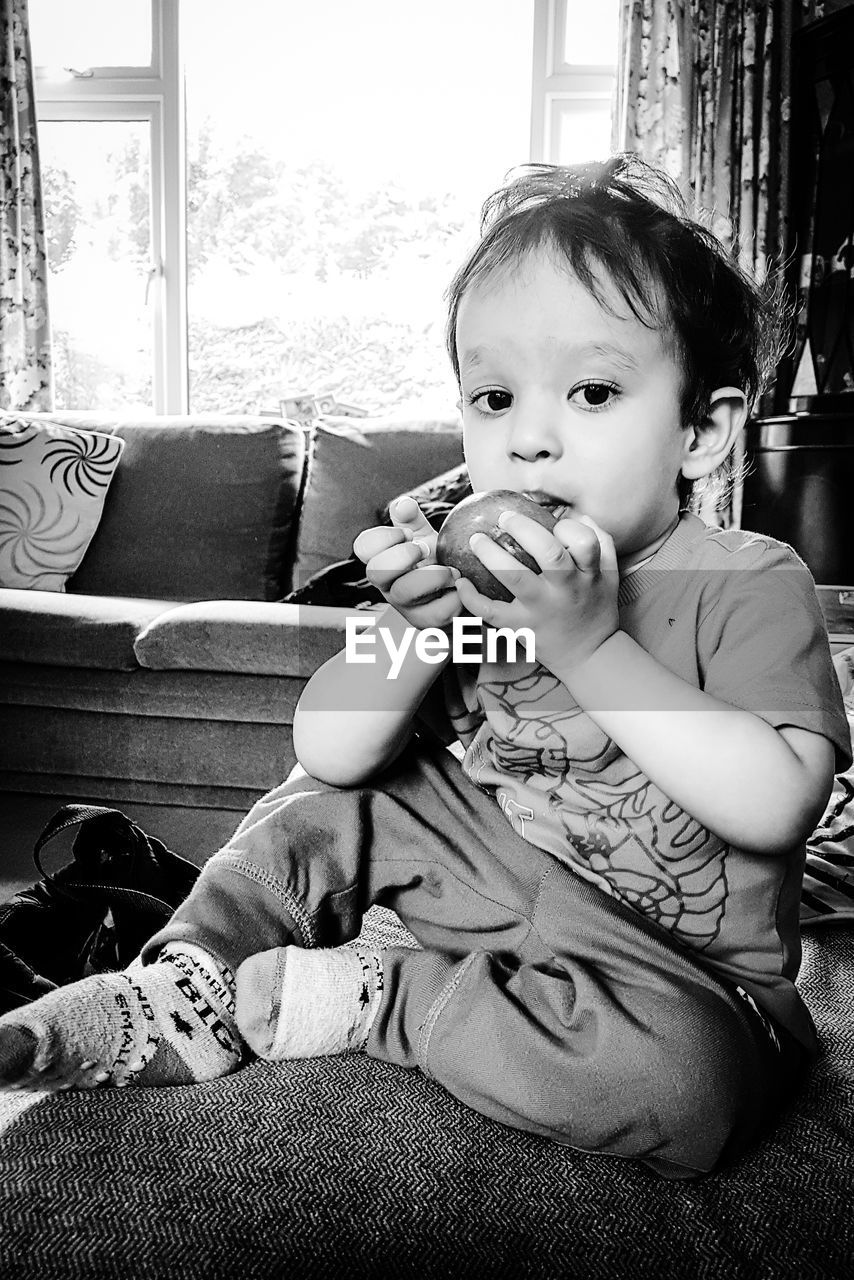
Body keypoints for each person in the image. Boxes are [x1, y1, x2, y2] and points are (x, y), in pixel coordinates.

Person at [0, 155, 849, 1180]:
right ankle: (186, 979)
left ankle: (380, 994)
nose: (527, 439)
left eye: (589, 391)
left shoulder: (748, 580)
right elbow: (328, 751)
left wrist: (587, 642)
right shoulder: (477, 591)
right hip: (500, 881)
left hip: (680, 974)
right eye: (492, 397)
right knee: (330, 797)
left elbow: (772, 805)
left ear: (701, 432)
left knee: (692, 1093)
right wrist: (414, 630)